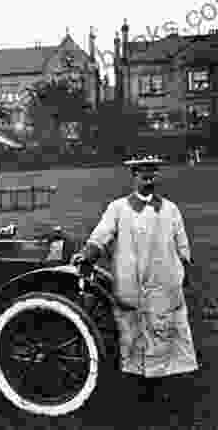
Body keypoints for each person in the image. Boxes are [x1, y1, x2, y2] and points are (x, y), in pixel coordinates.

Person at [71, 154, 198, 407]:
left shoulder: (171, 209)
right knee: (133, 333)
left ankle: (162, 385)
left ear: (157, 175)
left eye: (152, 172)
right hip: (131, 284)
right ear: (134, 176)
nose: (148, 177)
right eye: (142, 172)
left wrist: (184, 270)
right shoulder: (118, 208)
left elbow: (182, 244)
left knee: (164, 332)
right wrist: (88, 255)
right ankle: (137, 385)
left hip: (165, 282)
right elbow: (101, 236)